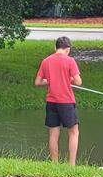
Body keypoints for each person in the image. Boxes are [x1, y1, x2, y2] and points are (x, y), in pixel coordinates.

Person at [34, 36, 82, 165]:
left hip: (51, 102)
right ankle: (71, 165)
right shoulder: (70, 61)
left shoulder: (46, 61)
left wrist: (50, 80)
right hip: (66, 101)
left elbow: (37, 82)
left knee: (53, 134)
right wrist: (69, 79)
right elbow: (78, 81)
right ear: (68, 49)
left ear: (55, 48)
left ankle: (54, 164)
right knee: (73, 132)